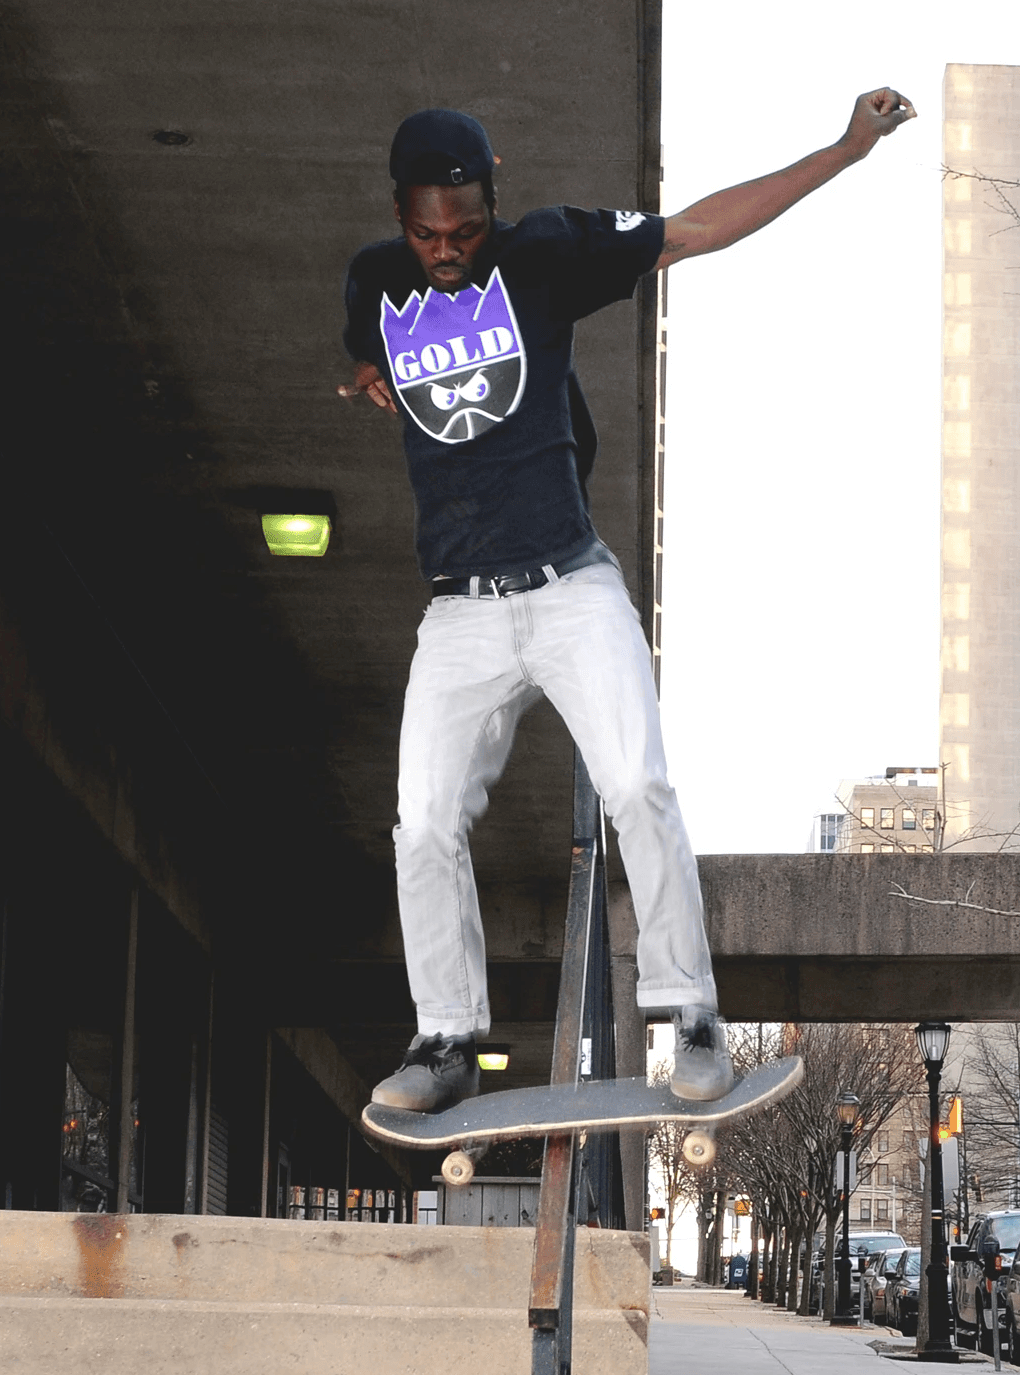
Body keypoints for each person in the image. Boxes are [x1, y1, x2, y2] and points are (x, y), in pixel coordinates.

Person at [341, 93, 917, 1120]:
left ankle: (689, 1016)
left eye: (466, 232)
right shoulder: (374, 281)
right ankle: (447, 1036)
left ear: (493, 198)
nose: (447, 253)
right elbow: (366, 347)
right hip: (460, 612)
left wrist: (846, 148)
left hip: (571, 586)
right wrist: (364, 373)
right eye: (427, 234)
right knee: (421, 822)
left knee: (637, 786)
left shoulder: (549, 253)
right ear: (399, 216)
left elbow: (694, 229)